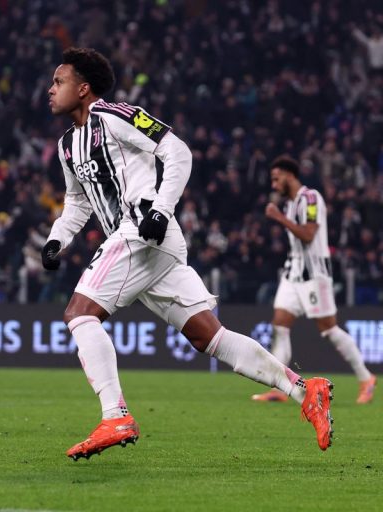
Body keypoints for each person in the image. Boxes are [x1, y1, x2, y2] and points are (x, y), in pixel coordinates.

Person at [43, 48, 334, 460]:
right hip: (147, 244)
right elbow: (77, 201)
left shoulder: (115, 115)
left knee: (79, 314)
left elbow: (177, 151)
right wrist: (57, 239)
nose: (50, 89)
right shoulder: (68, 145)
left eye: (59, 81)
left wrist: (161, 210)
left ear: (83, 88)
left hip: (142, 229)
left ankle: (115, 416)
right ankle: (305, 390)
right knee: (208, 336)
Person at [251, 155, 376, 403]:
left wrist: (278, 218)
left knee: (329, 330)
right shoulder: (289, 205)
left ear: (289, 175)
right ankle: (280, 388)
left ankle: (366, 379)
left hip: (315, 275)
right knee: (280, 326)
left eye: (276, 179)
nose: (273, 185)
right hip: (292, 273)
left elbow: (309, 234)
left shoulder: (311, 198)